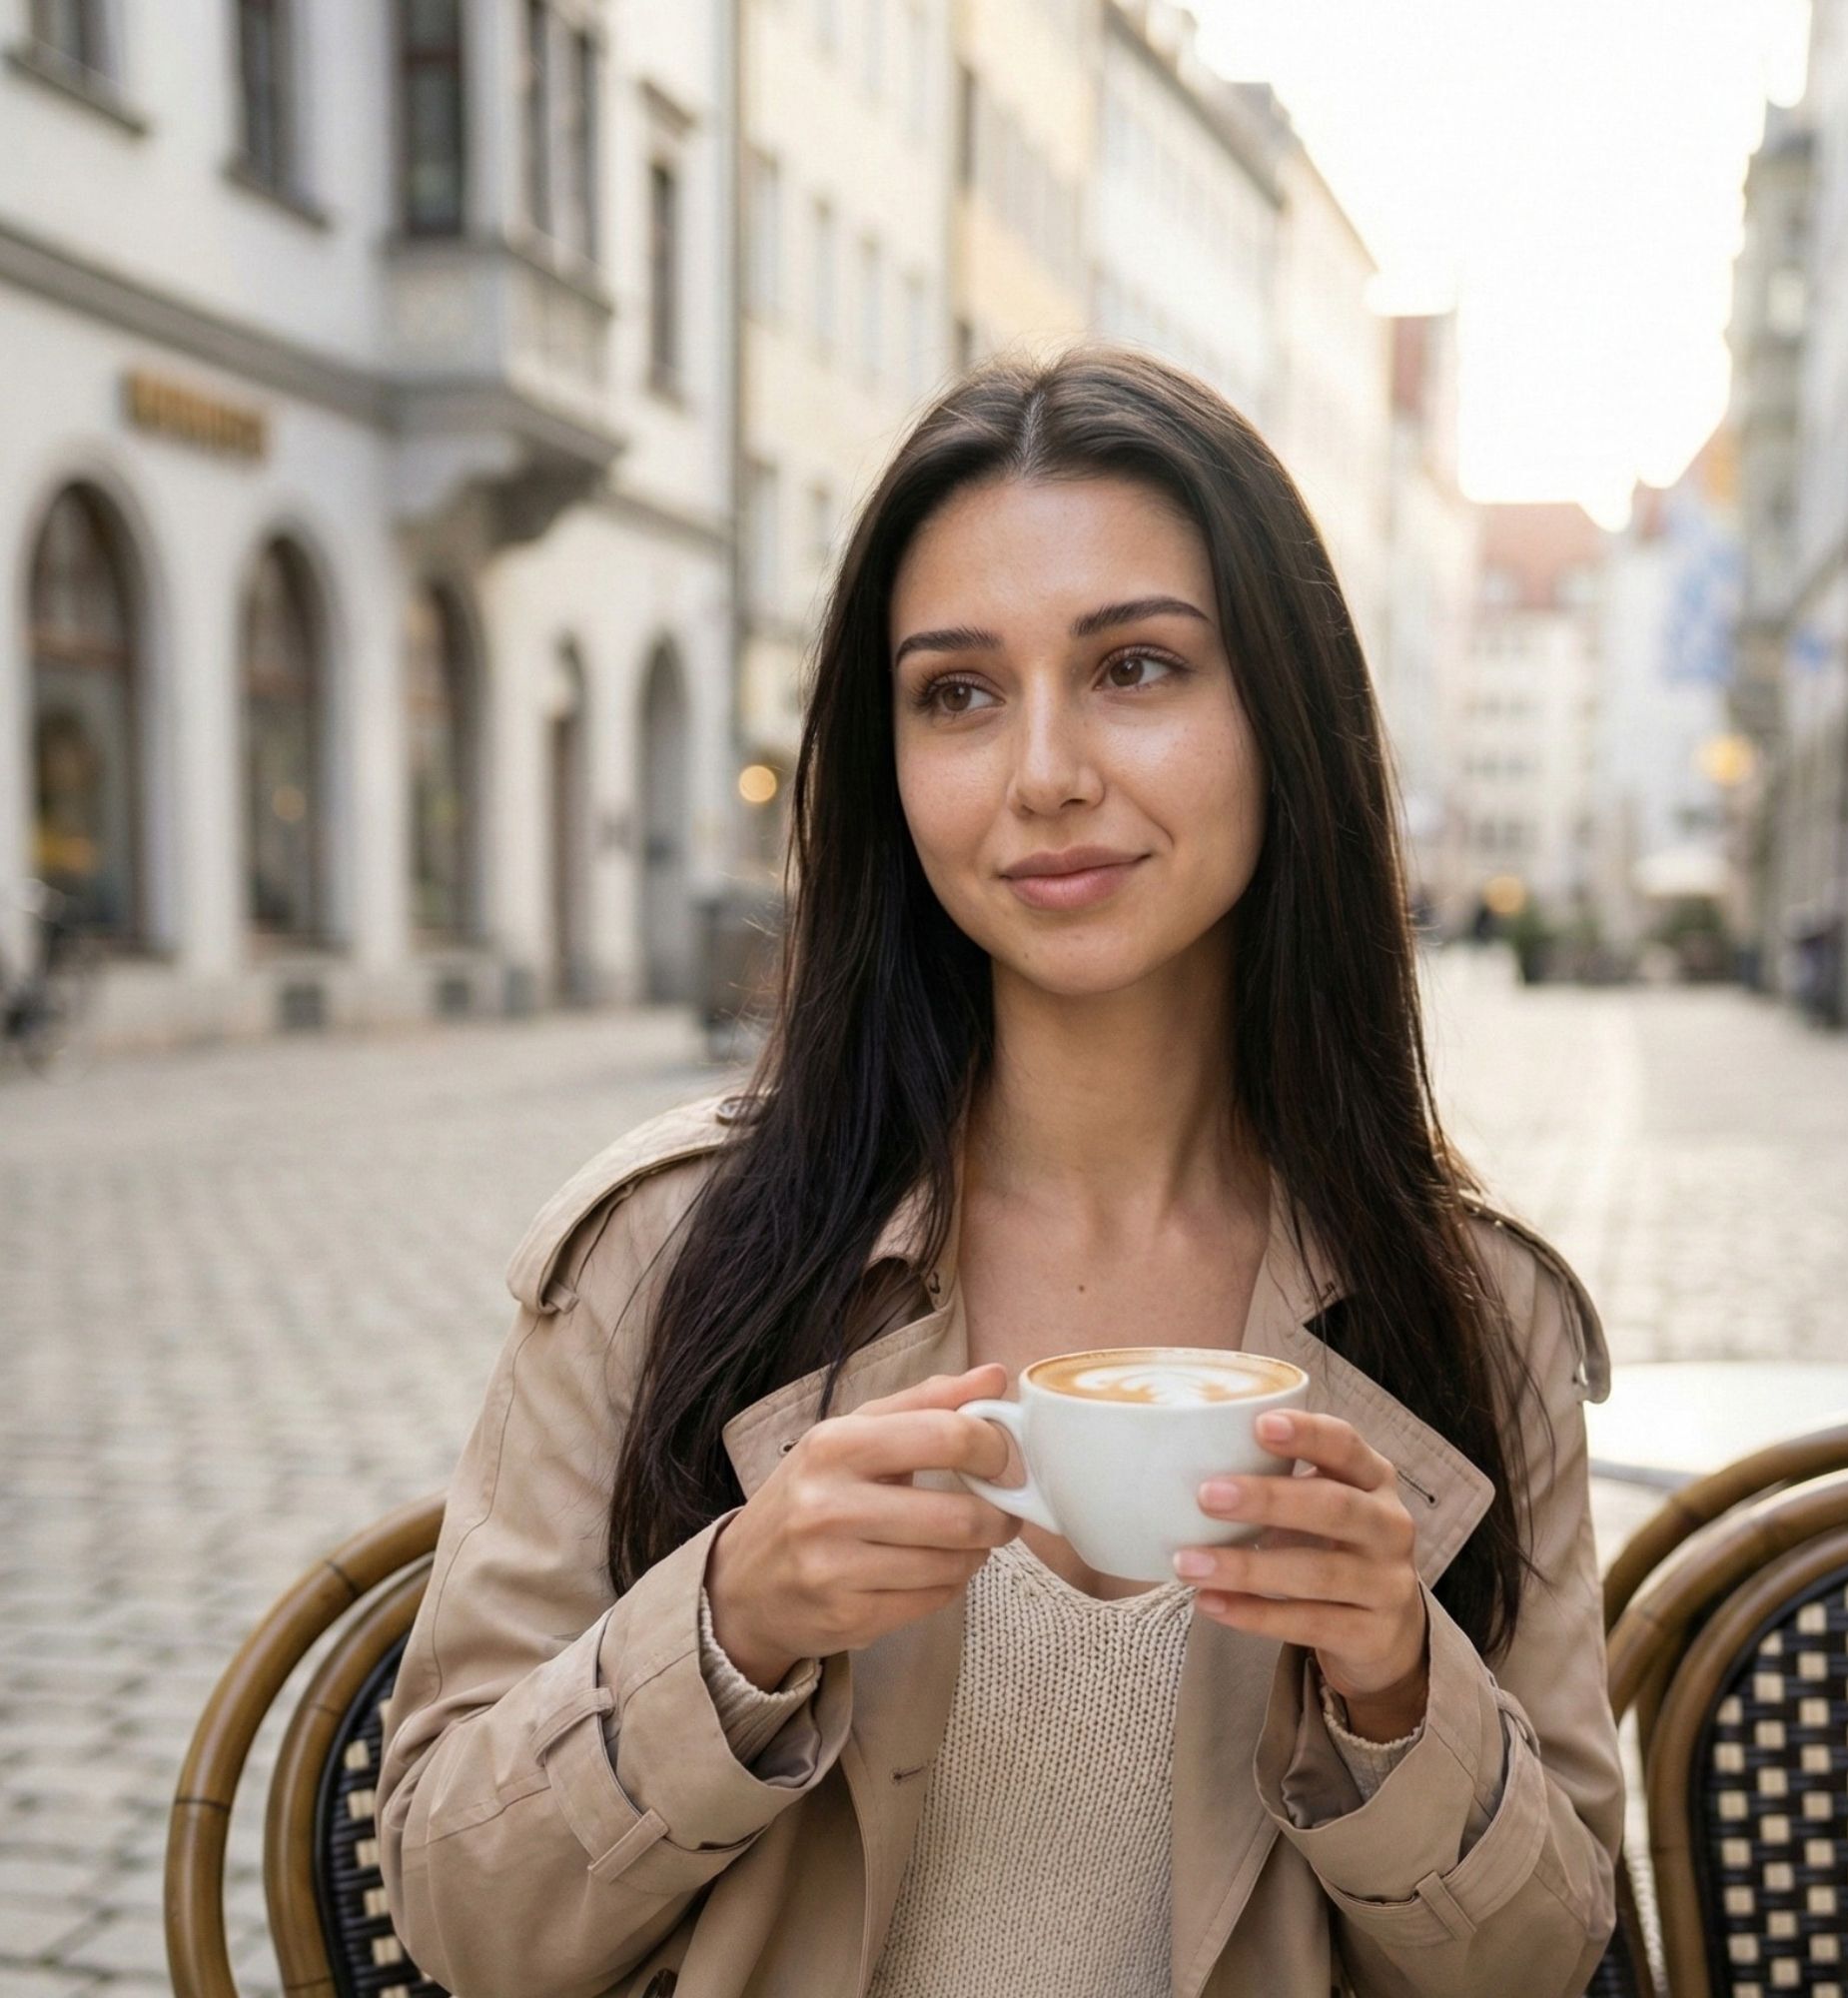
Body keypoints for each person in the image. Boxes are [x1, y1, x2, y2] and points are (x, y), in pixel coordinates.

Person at [377, 347, 1622, 1998]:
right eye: (957, 692)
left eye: (1136, 668)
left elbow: (1552, 1958)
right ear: (888, 767)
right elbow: (461, 1918)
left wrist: (1402, 1694)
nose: (1044, 772)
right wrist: (731, 1624)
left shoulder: (1469, 1306)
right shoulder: (669, 1252)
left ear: (1286, 717)